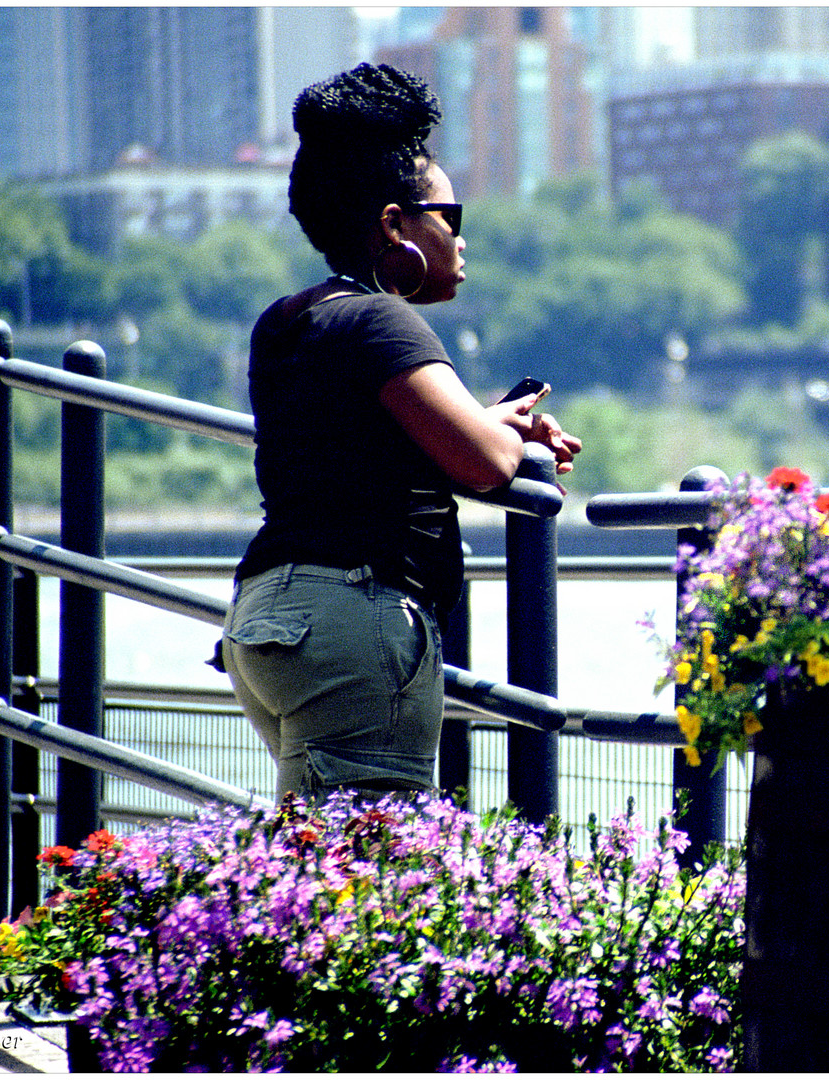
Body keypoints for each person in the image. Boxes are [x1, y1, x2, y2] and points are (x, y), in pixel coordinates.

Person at [218, 63, 580, 803]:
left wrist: (484, 420)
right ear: (393, 223)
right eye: (451, 214)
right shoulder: (383, 320)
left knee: (319, 865)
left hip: (267, 612)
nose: (460, 233)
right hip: (356, 623)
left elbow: (357, 442)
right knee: (370, 880)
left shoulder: (289, 320)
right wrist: (514, 439)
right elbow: (483, 464)